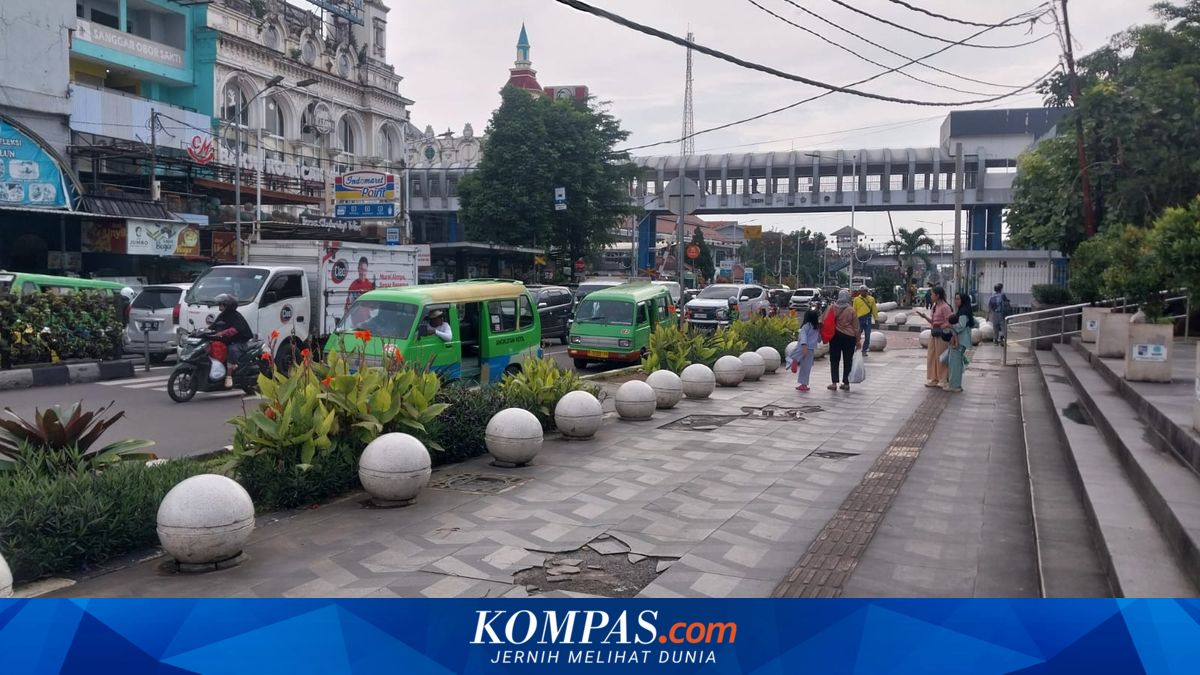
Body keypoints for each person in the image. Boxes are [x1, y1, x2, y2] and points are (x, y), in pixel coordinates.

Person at [210, 293, 253, 386]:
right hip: (227, 342)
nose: (220, 306)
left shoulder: (235, 316)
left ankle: (229, 376)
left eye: (222, 304)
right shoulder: (222, 315)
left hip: (239, 342)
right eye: (220, 304)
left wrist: (222, 333)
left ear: (228, 305)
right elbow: (213, 327)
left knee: (232, 350)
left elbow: (235, 329)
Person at [914, 286, 953, 388]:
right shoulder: (934, 307)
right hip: (934, 333)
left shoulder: (945, 307)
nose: (930, 296)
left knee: (940, 357)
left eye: (932, 294)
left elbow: (949, 322)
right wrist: (924, 317)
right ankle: (934, 378)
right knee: (932, 356)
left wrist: (940, 326)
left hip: (942, 335)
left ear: (937, 295)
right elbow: (933, 322)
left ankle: (943, 378)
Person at [825, 289, 861, 391]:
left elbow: (824, 320)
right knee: (848, 360)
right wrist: (858, 341)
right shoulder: (851, 310)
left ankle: (834, 383)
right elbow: (856, 327)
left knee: (834, 360)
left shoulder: (832, 308)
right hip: (849, 337)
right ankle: (846, 383)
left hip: (835, 336)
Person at [945, 291, 976, 393]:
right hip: (961, 339)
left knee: (955, 363)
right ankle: (954, 384)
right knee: (955, 362)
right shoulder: (964, 310)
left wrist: (950, 326)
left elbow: (960, 326)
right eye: (955, 298)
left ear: (963, 300)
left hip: (961, 340)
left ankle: (955, 386)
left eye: (958, 299)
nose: (956, 301)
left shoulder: (963, 312)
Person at [791, 309, 820, 392]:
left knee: (795, 354)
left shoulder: (805, 326)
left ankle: (794, 360)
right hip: (810, 349)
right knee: (806, 367)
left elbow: (803, 336)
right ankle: (804, 384)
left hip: (802, 347)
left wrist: (804, 345)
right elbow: (818, 339)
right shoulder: (816, 327)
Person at [853, 285, 878, 357]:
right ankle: (857, 348)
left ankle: (864, 350)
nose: (863, 292)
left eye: (865, 291)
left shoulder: (871, 299)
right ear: (860, 292)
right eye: (862, 291)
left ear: (867, 292)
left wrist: (876, 319)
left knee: (867, 337)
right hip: (859, 320)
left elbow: (874, 310)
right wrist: (853, 320)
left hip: (868, 319)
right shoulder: (856, 299)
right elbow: (854, 310)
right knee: (857, 336)